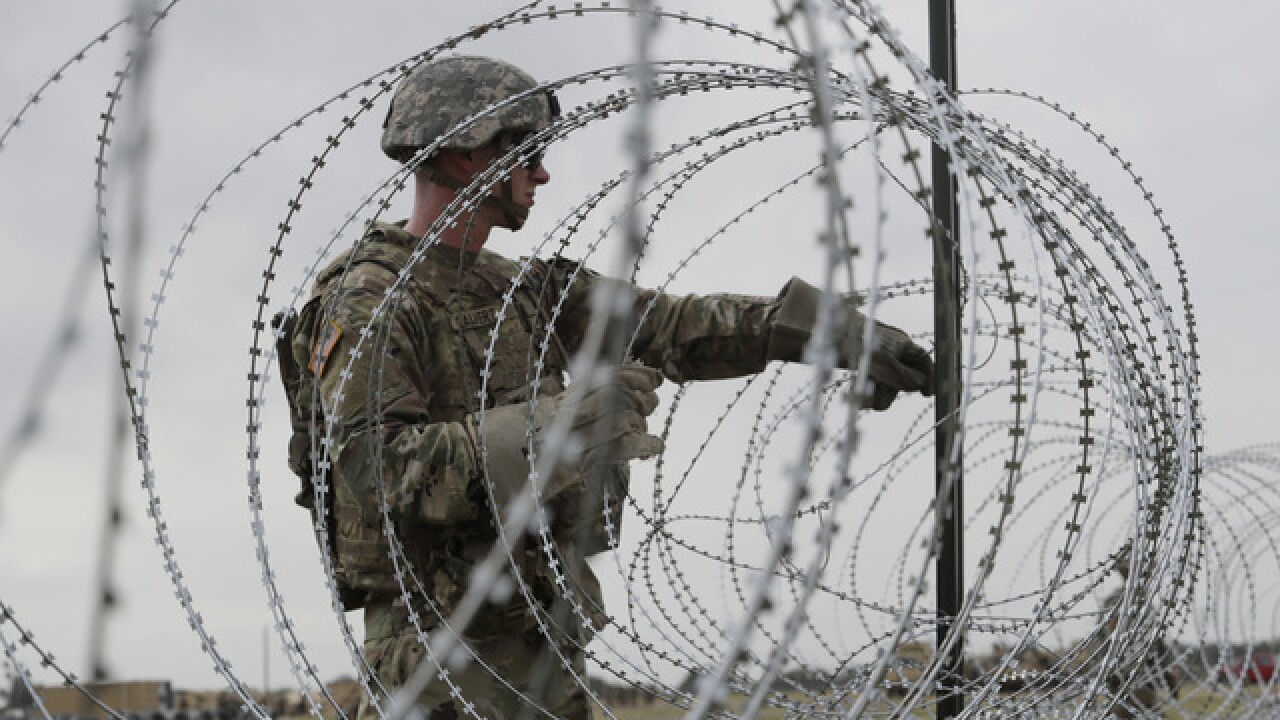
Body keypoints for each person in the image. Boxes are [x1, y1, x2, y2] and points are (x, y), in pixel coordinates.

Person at [276, 55, 934, 720]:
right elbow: (370, 470)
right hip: (437, 654)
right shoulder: (370, 297)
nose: (542, 172)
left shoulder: (524, 290)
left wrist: (834, 334)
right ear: (468, 154)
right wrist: (552, 431)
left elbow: (677, 327)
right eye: (525, 151)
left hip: (542, 631)